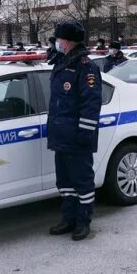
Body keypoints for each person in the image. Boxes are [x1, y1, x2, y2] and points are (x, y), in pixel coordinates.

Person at [47, 21, 102, 241]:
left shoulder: (85, 66)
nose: (57, 43)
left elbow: (91, 102)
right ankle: (68, 219)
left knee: (82, 181)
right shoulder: (61, 62)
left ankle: (83, 222)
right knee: (65, 182)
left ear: (67, 42)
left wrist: (85, 133)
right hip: (62, 135)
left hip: (78, 136)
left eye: (59, 39)